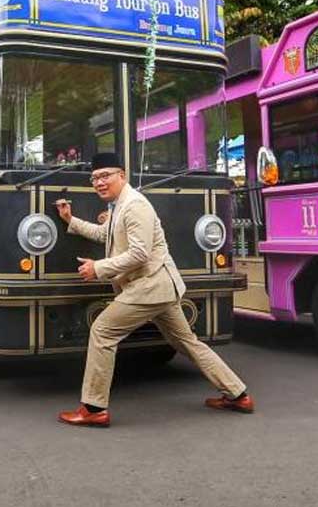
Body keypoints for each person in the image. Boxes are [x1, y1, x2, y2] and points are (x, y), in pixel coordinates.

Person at [55, 152, 252, 428]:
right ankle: (237, 393)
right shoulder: (118, 205)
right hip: (160, 288)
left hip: (149, 287)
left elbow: (139, 253)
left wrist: (98, 268)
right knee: (187, 342)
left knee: (102, 331)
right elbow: (105, 235)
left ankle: (94, 408)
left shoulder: (135, 206)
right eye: (95, 178)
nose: (99, 183)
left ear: (121, 175)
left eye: (105, 176)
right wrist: (70, 220)